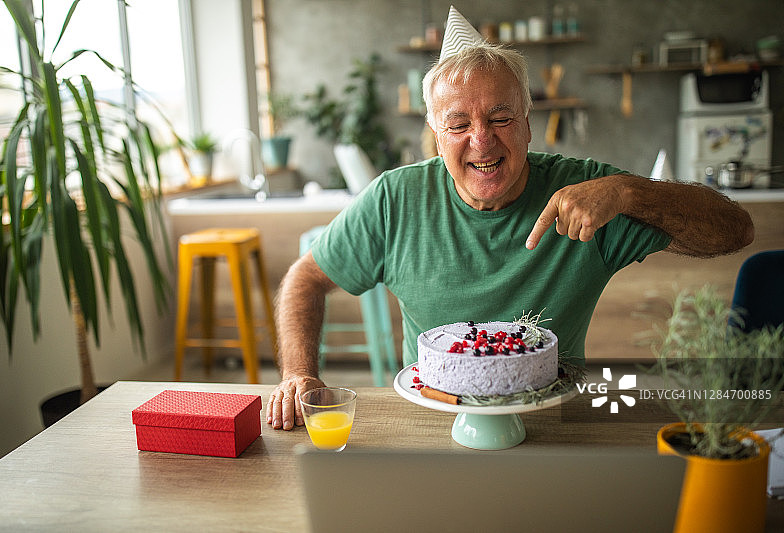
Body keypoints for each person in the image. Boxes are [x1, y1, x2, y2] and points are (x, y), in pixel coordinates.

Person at [266, 7, 754, 430]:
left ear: (527, 123)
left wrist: (629, 192)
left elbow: (734, 232)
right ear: (436, 135)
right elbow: (303, 281)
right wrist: (297, 373)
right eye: (458, 123)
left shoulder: (590, 193)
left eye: (500, 118)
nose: (482, 140)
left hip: (556, 424)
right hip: (433, 419)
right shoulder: (396, 200)